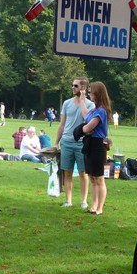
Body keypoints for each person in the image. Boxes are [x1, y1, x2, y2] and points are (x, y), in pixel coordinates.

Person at [54, 77, 94, 208]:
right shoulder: (66, 103)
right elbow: (62, 124)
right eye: (72, 85)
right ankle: (68, 201)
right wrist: (56, 142)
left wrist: (82, 100)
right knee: (67, 172)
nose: (73, 88)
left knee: (83, 173)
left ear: (83, 88)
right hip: (66, 142)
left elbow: (88, 119)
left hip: (82, 143)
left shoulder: (90, 105)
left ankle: (83, 201)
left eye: (76, 86)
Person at [81, 81, 111, 216]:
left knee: (99, 178)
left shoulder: (101, 111)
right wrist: (82, 100)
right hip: (90, 144)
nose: (89, 94)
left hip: (98, 145)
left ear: (97, 93)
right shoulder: (94, 110)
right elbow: (85, 115)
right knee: (92, 177)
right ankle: (93, 206)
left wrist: (81, 130)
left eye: (91, 92)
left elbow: (89, 126)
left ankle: (100, 208)